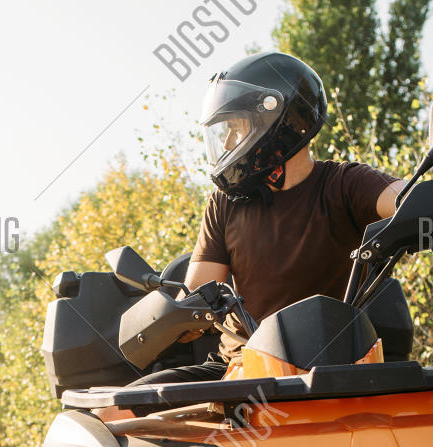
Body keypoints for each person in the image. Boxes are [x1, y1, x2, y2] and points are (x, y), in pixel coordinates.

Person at [136, 50, 404, 384]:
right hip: (242, 365)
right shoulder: (225, 203)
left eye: (237, 127)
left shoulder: (344, 184)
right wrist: (171, 319)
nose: (230, 141)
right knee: (119, 411)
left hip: (334, 365)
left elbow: (406, 199)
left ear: (276, 121)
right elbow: (195, 295)